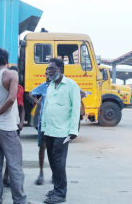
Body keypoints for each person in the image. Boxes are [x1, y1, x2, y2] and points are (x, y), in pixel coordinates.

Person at [0, 48, 27, 204]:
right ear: (7, 61)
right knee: (15, 165)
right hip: (6, 126)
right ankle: (20, 201)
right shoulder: (11, 74)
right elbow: (11, 99)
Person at [41, 58, 81, 204]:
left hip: (62, 131)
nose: (49, 71)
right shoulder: (50, 85)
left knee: (58, 162)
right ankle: (57, 187)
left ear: (60, 69)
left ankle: (60, 193)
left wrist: (73, 130)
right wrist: (43, 128)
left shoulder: (71, 85)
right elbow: (46, 108)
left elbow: (76, 109)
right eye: (48, 69)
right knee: (52, 161)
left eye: (52, 68)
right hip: (50, 130)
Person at [1, 66, 25, 187]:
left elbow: (21, 108)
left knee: (12, 154)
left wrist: (21, 122)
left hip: (13, 125)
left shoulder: (19, 89)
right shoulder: (1, 86)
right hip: (1, 125)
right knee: (0, 155)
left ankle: (7, 176)